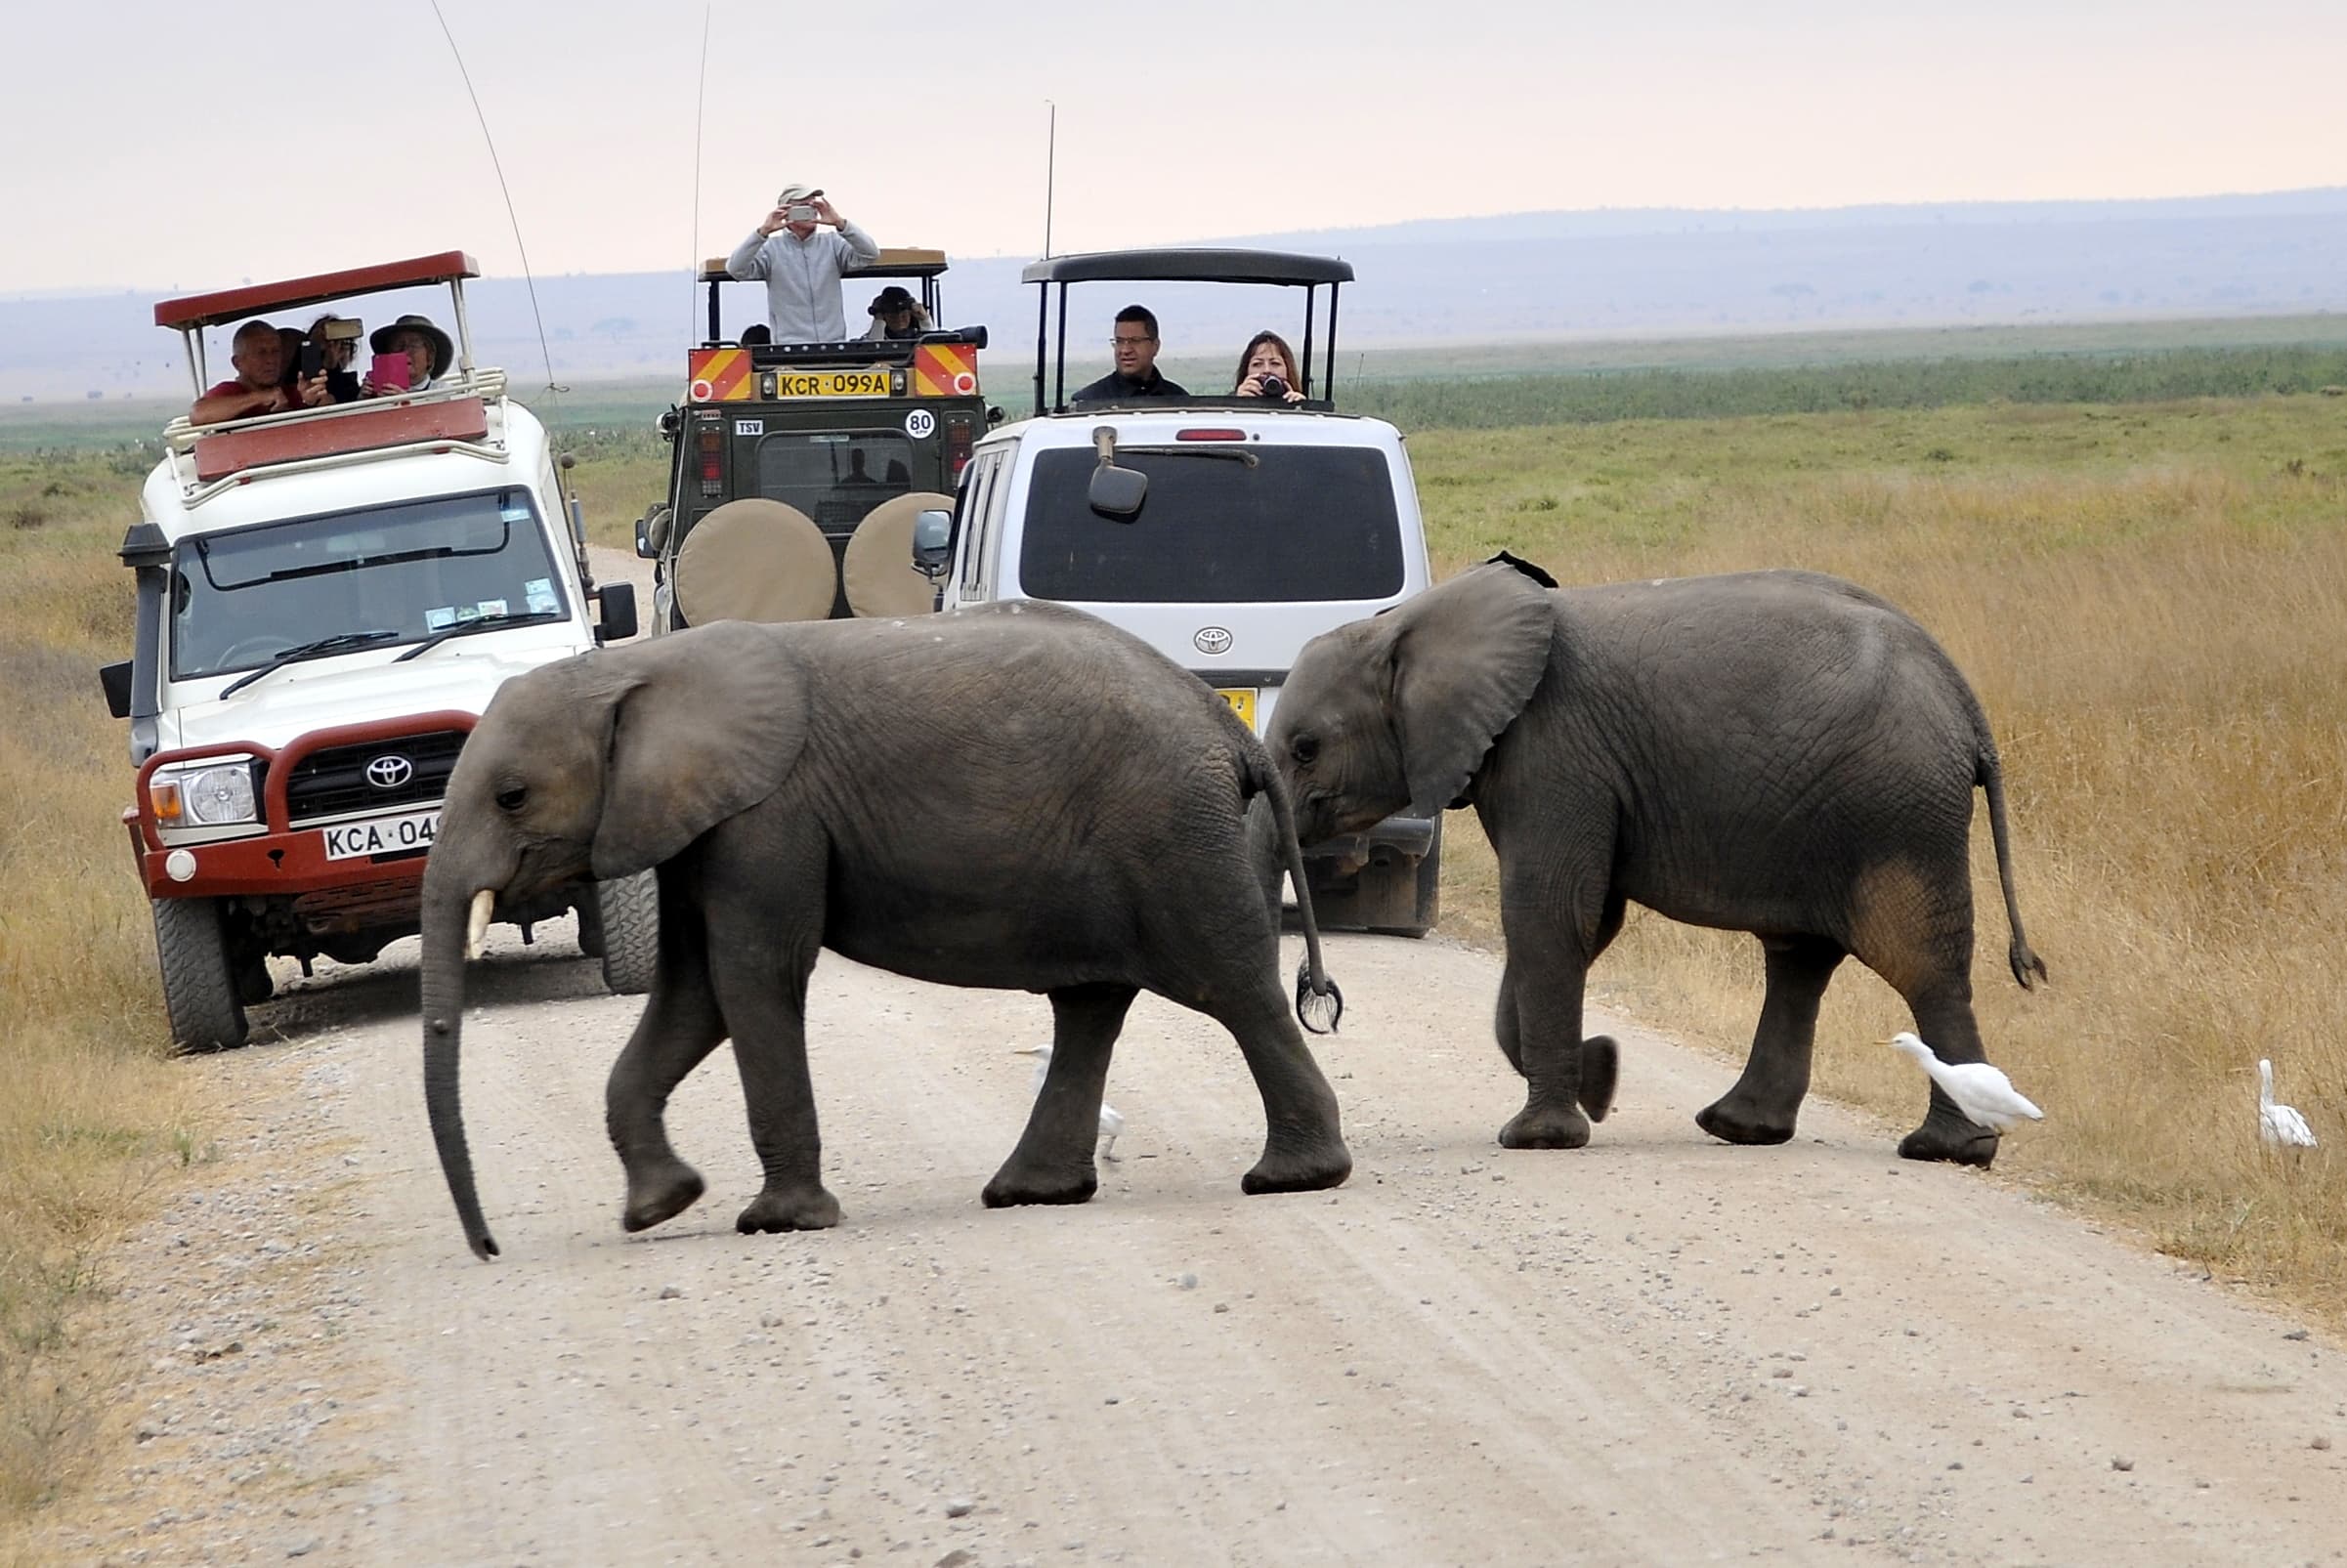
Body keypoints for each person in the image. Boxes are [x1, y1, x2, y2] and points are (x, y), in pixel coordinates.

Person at [725, 183, 880, 344]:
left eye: (814, 206)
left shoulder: (833, 244)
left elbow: (870, 254)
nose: (811, 211)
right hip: (788, 350)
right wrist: (763, 232)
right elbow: (735, 269)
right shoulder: (770, 249)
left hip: (833, 347)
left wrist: (840, 223)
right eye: (804, 207)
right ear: (786, 211)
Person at [192, 318, 331, 423]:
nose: (271, 360)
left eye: (275, 352)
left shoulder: (293, 392)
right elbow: (198, 414)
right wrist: (260, 397)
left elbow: (330, 405)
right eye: (261, 353)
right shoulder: (230, 391)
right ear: (238, 363)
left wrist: (313, 400)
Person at [1072, 305, 1187, 403]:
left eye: (1135, 341)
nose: (1125, 350)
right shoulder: (1088, 402)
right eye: (1119, 341)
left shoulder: (1180, 401)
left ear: (1155, 346)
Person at [369, 314, 455, 393]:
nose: (405, 351)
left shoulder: (442, 391)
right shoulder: (379, 392)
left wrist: (404, 402)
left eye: (413, 345)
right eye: (398, 345)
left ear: (430, 357)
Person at [306, 314, 368, 403]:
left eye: (345, 343)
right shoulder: (301, 384)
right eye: (327, 342)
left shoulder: (353, 389)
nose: (336, 349)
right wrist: (329, 368)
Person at [1232, 330, 1307, 403]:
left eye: (1275, 363)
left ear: (1288, 369)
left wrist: (1301, 406)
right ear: (1246, 371)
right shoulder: (1226, 411)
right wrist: (1238, 403)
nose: (1267, 370)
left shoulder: (1299, 406)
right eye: (1257, 364)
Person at [862, 285, 932, 341]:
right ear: (884, 317)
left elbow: (930, 343)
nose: (898, 318)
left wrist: (924, 320)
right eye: (892, 316)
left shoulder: (919, 339)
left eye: (904, 316)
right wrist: (878, 323)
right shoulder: (873, 337)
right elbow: (871, 349)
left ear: (911, 315)